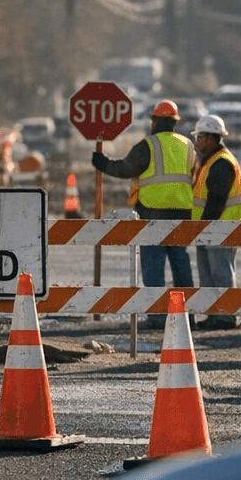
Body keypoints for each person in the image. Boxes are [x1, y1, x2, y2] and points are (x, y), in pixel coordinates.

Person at [91, 100, 195, 327]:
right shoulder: (188, 144)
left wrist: (103, 164)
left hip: (153, 211)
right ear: (175, 122)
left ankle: (158, 317)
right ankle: (188, 316)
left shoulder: (149, 145)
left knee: (153, 265)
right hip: (183, 212)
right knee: (180, 263)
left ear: (156, 121)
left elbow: (126, 169)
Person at [190, 114, 241, 330]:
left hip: (220, 229)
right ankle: (215, 315)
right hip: (212, 229)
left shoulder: (221, 163)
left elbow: (216, 200)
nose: (197, 143)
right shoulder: (212, 161)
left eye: (199, 137)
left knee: (220, 272)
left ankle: (225, 317)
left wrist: (205, 226)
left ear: (210, 139)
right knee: (209, 274)